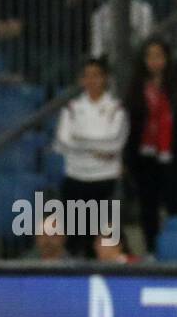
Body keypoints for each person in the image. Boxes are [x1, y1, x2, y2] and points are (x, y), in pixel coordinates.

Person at [55, 58, 128, 258]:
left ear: (105, 78)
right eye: (87, 75)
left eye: (96, 75)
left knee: (105, 238)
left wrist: (80, 142)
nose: (91, 80)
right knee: (74, 238)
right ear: (81, 80)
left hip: (105, 181)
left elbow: (114, 144)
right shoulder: (71, 108)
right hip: (75, 178)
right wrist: (97, 147)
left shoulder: (116, 108)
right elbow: (62, 143)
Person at [125, 39, 177, 255]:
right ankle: (152, 249)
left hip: (171, 154)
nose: (155, 61)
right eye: (150, 56)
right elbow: (131, 122)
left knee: (174, 203)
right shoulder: (136, 88)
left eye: (159, 56)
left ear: (166, 59)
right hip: (144, 156)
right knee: (148, 205)